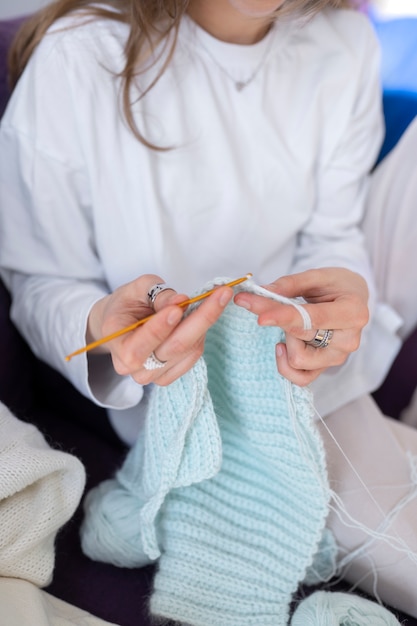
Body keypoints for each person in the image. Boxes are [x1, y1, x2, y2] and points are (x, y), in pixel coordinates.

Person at [1, 0, 417, 620]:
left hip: (300, 372)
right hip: (172, 401)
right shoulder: (80, 53)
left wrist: (334, 309)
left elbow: (334, 237)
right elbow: (39, 274)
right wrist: (102, 327)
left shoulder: (347, 41)